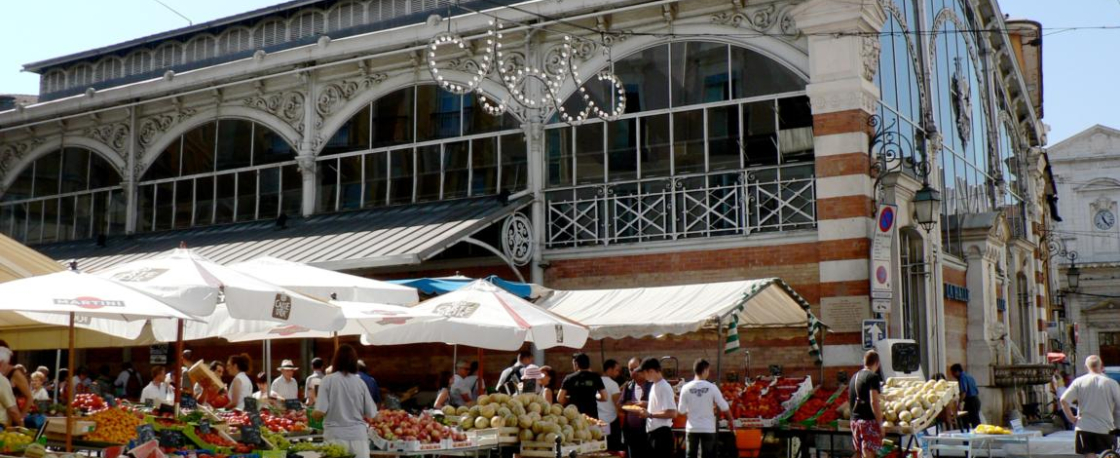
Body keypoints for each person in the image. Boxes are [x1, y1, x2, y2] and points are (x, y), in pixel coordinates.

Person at [312, 345, 378, 458]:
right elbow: (372, 414)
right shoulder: (360, 383)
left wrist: (311, 414)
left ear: (335, 360)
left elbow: (320, 412)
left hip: (335, 438)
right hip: (358, 437)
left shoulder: (327, 380)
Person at [1061, 355, 1120, 458]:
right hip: (1105, 427)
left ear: (1086, 367)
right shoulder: (1111, 383)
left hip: (1084, 426)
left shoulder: (1078, 382)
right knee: (1107, 454)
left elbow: (1063, 400)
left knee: (1089, 454)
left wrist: (1072, 418)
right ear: (1101, 366)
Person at [678, 359, 735, 458]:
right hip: (708, 428)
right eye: (708, 370)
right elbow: (724, 405)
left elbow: (681, 410)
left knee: (690, 455)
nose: (708, 373)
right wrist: (731, 420)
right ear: (704, 370)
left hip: (692, 428)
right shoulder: (712, 387)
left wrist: (691, 412)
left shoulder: (685, 388)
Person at [633, 357, 675, 456]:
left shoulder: (664, 387)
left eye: (644, 373)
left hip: (661, 435)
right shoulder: (655, 385)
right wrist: (646, 405)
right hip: (654, 434)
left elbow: (672, 413)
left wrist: (650, 414)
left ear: (651, 371)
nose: (643, 376)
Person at [850, 350, 884, 458]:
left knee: (859, 453)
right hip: (868, 422)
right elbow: (874, 401)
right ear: (877, 363)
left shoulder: (854, 377)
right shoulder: (873, 377)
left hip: (854, 421)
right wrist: (880, 424)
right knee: (869, 453)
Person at [558, 353, 607, 419]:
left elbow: (560, 398)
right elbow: (605, 397)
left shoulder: (569, 378)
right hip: (591, 415)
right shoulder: (596, 377)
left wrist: (569, 400)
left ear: (576, 364)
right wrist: (595, 397)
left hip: (574, 416)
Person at [621, 357, 652, 458]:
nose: (634, 371)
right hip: (631, 434)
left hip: (648, 432)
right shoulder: (628, 387)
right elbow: (621, 405)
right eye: (631, 369)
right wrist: (627, 405)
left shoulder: (652, 386)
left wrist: (645, 404)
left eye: (636, 368)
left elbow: (659, 405)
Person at [597, 359, 623, 451]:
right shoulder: (613, 384)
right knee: (613, 450)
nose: (618, 373)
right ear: (609, 369)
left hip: (597, 422)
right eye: (616, 370)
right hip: (611, 422)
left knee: (600, 450)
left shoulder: (596, 382)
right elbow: (618, 404)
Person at [950, 363, 981, 429]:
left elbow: (964, 392)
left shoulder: (962, 378)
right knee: (975, 419)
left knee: (968, 419)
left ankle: (969, 434)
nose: (953, 375)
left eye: (953, 373)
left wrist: (959, 403)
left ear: (957, 371)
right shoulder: (969, 376)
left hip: (970, 401)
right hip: (976, 400)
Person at [0, 348, 23, 427]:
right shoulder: (2, 380)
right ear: (1, 363)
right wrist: (21, 426)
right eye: (7, 364)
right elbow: (13, 411)